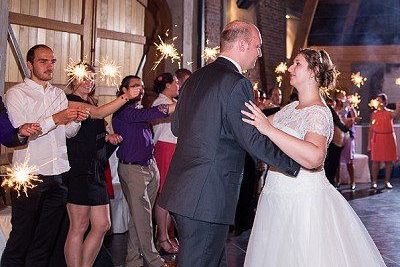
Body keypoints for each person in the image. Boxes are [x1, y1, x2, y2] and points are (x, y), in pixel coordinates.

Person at [158, 21, 301, 267]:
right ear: (242, 44)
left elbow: (177, 127)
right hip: (207, 194)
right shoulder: (237, 83)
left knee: (211, 259)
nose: (259, 53)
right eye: (258, 46)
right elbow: (251, 138)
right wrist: (294, 162)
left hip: (182, 190)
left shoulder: (195, 77)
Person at [239, 48, 386, 266]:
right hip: (275, 196)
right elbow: (256, 130)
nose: (290, 68)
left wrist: (269, 130)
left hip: (303, 200)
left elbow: (315, 157)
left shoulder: (318, 112)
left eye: (297, 63)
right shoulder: (289, 109)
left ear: (314, 71)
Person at [2, 44, 90, 267]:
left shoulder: (58, 93)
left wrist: (76, 120)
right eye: (43, 61)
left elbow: (68, 133)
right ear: (30, 65)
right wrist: (58, 117)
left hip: (58, 174)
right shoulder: (16, 94)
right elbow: (22, 134)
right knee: (20, 240)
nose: (50, 66)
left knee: (45, 242)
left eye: (52, 61)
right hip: (30, 176)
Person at [64, 64, 133, 267]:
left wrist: (108, 139)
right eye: (84, 78)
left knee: (103, 225)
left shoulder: (92, 103)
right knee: (79, 225)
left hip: (95, 169)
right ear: (73, 79)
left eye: (91, 78)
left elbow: (93, 136)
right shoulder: (69, 102)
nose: (88, 82)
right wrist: (125, 96)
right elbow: (97, 113)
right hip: (78, 169)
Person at [113, 75, 176, 267]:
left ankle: (133, 261)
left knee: (138, 218)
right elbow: (150, 114)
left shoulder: (138, 108)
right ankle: (156, 262)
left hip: (149, 166)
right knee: (142, 219)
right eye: (134, 86)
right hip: (133, 170)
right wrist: (180, 105)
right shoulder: (123, 110)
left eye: (141, 86)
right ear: (124, 90)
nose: (139, 90)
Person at [149, 72, 182, 255]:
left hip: (173, 147)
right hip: (165, 148)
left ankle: (167, 235)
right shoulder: (160, 103)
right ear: (168, 85)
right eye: (176, 83)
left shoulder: (170, 102)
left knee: (169, 194)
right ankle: (162, 236)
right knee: (164, 195)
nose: (178, 86)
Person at [369, 93, 399, 189]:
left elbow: (395, 114)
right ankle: (374, 181)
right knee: (375, 161)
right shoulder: (374, 114)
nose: (378, 102)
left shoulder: (389, 113)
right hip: (377, 138)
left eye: (380, 100)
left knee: (388, 161)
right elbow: (371, 128)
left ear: (385, 102)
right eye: (377, 100)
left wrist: (398, 107)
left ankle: (387, 181)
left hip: (388, 138)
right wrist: (369, 142)